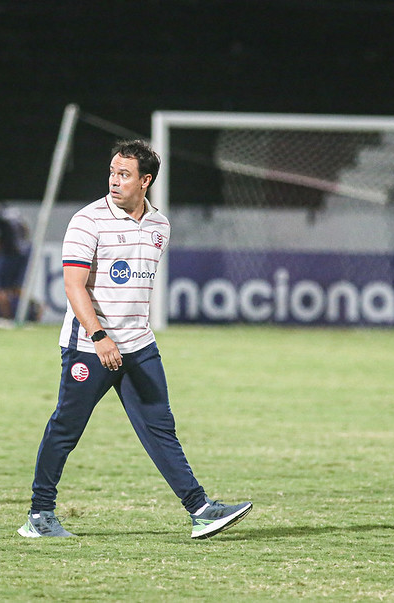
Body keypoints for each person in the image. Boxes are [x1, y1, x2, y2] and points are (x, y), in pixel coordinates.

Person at [17, 139, 252, 539]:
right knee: (66, 428)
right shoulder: (87, 221)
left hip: (139, 345)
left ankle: (200, 510)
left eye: (123, 174)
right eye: (112, 172)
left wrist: (124, 336)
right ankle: (40, 516)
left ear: (145, 181)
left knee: (160, 427)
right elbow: (73, 286)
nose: (114, 180)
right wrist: (99, 336)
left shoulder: (160, 225)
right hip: (90, 347)